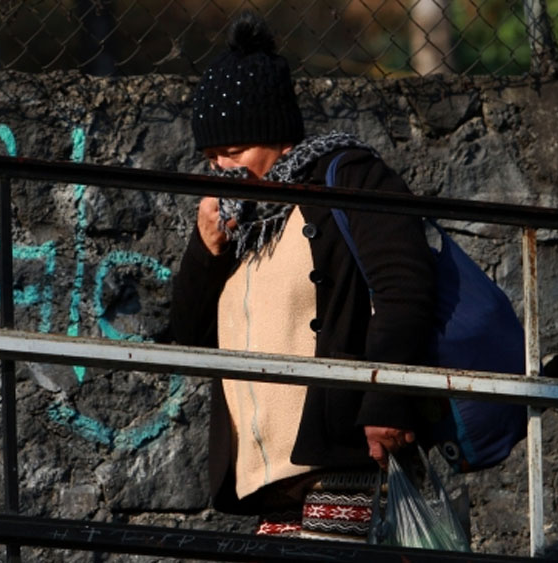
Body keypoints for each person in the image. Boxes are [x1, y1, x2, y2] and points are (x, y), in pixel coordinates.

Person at [170, 11, 439, 541]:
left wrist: (385, 400)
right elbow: (191, 339)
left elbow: (404, 287)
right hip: (271, 481)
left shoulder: (347, 178)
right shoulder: (238, 223)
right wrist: (206, 251)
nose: (223, 168)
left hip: (342, 458)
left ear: (277, 136)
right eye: (211, 157)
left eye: (234, 151)